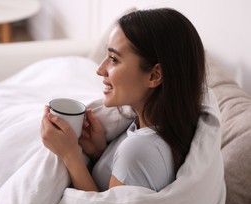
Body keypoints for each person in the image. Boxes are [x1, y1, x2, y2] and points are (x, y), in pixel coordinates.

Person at [41, 8, 206, 192]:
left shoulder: (140, 151)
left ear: (154, 75)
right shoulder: (156, 126)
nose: (100, 69)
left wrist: (69, 155)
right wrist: (100, 153)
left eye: (113, 59)